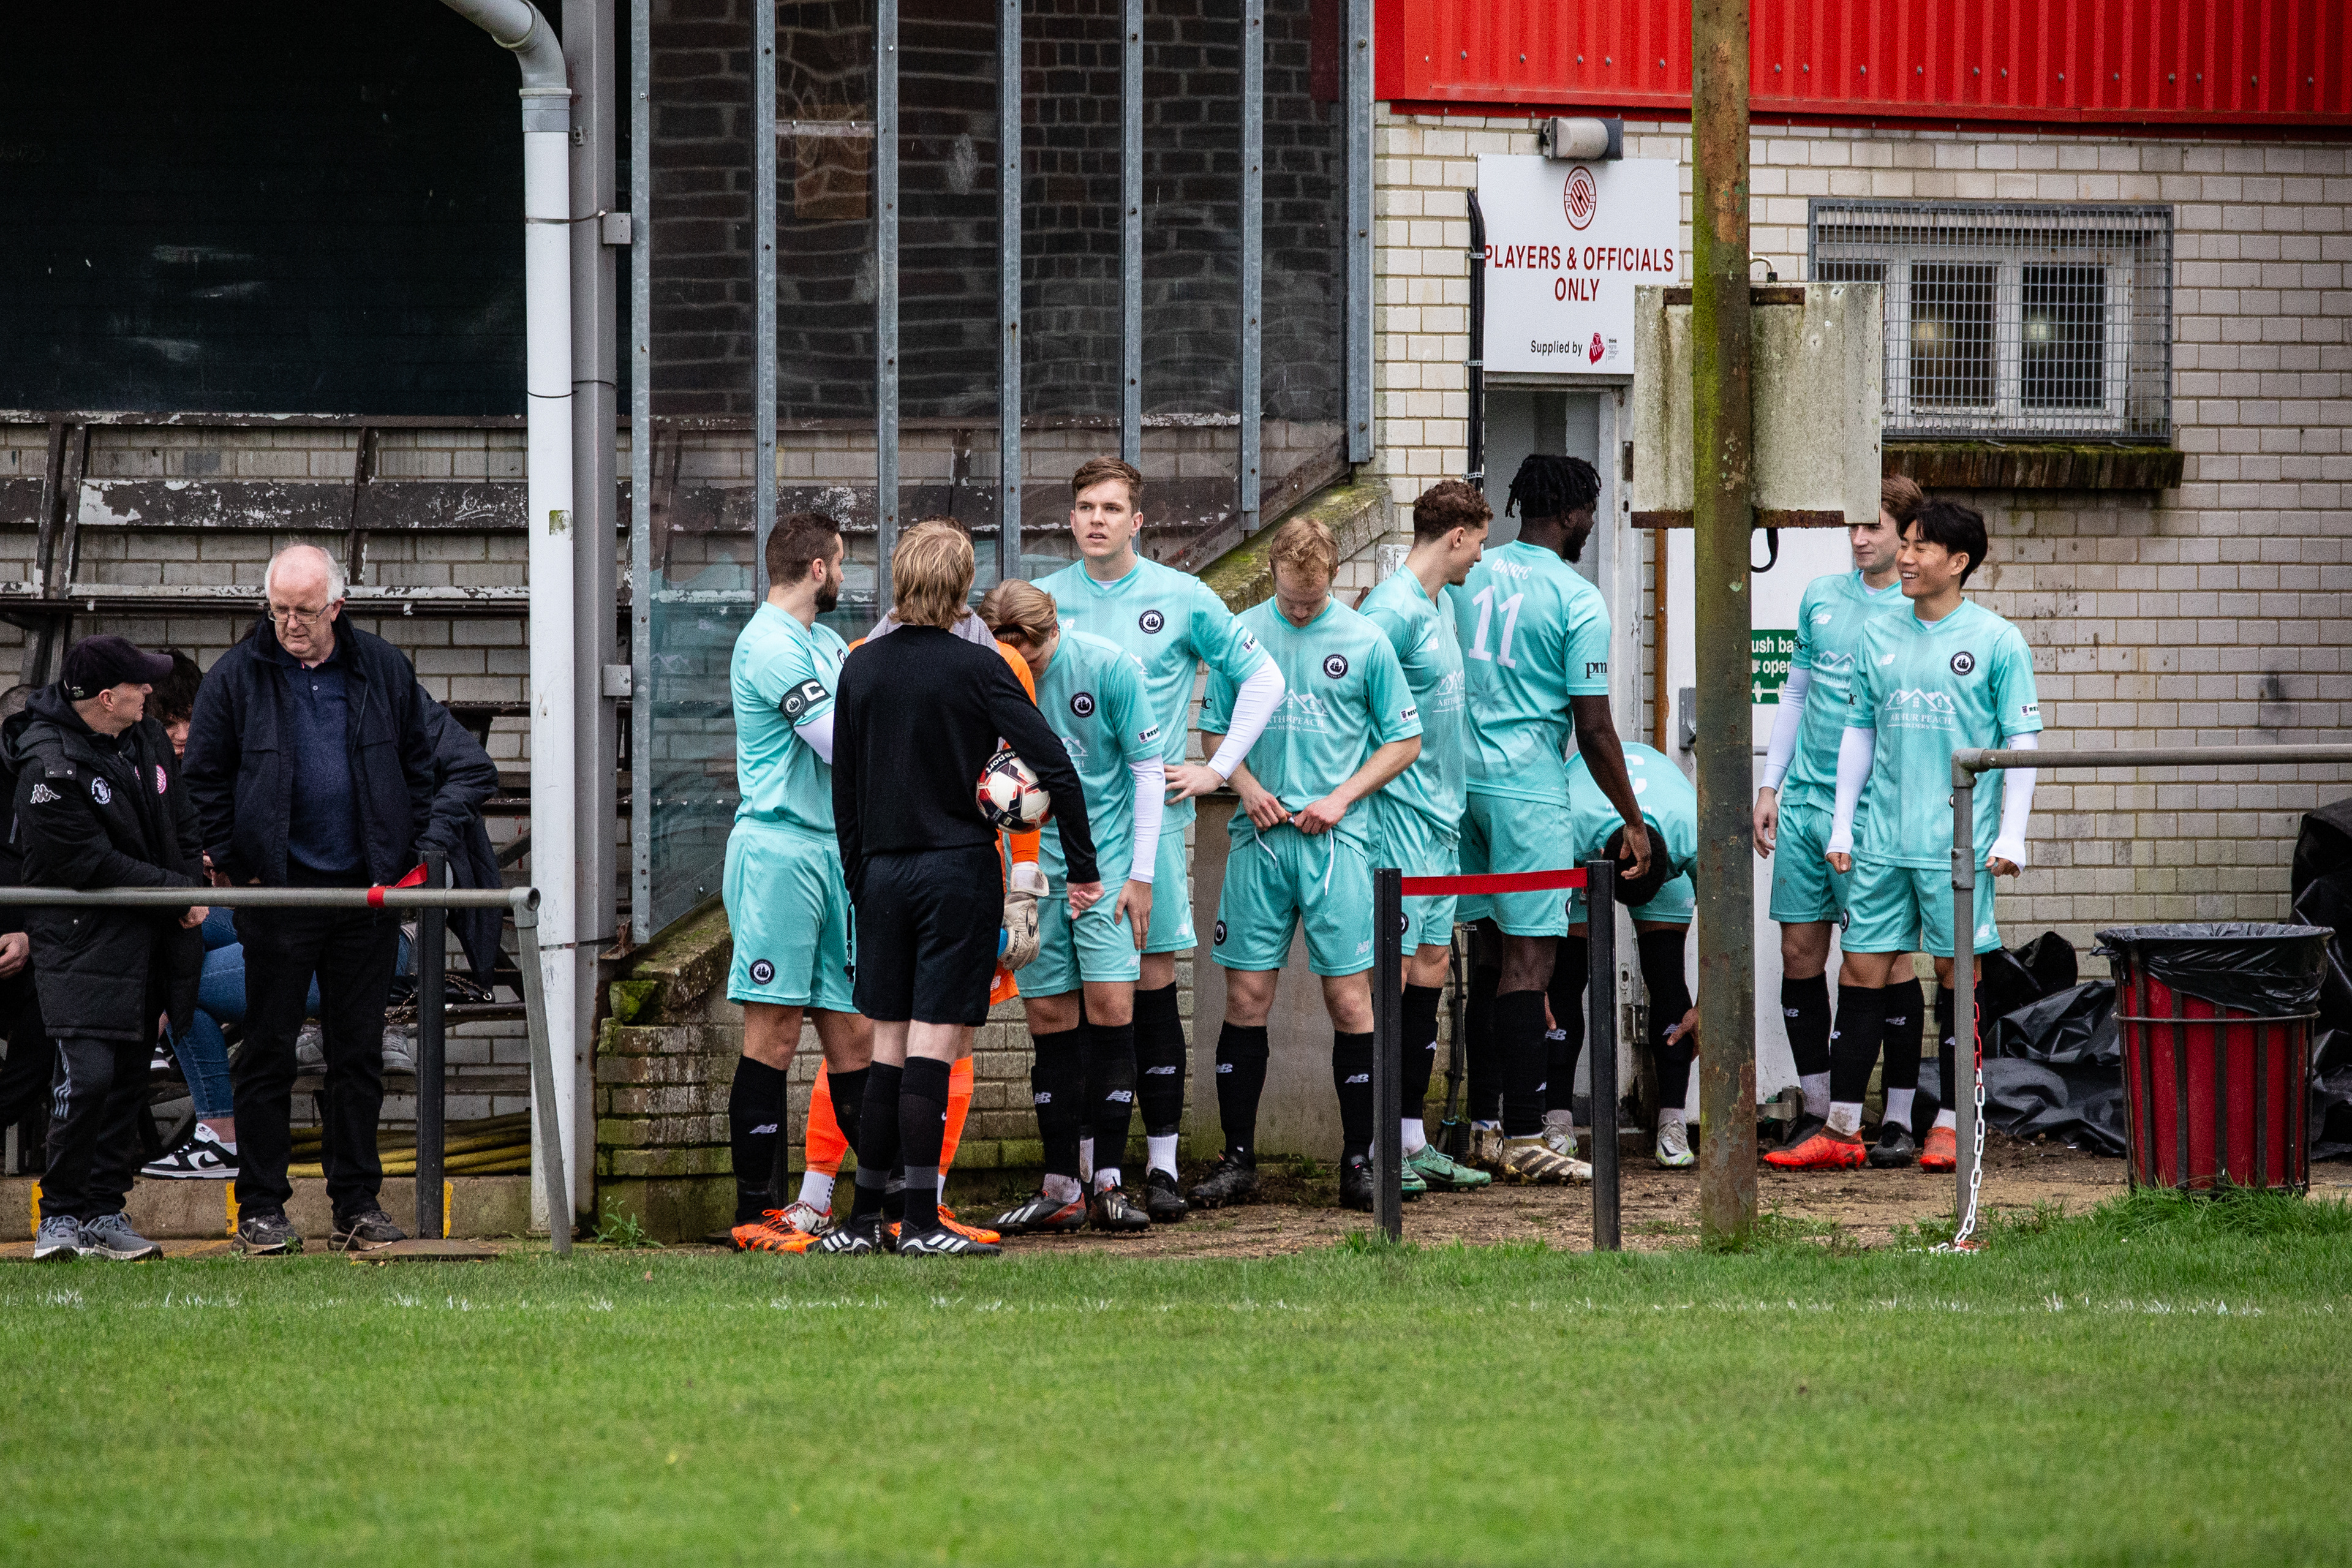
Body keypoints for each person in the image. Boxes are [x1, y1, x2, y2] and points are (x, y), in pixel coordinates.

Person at [183, 543, 478, 1256]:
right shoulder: (235, 676)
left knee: (358, 1055)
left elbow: (421, 765)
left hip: (364, 896)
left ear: (337, 607)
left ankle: (356, 1203)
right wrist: (235, 863)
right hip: (278, 895)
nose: (291, 624)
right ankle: (261, 1208)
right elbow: (203, 779)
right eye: (279, 610)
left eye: (305, 612)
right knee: (267, 1053)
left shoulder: (382, 668)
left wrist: (413, 850)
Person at [821, 521, 1099, 1257]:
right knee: (933, 1050)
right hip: (956, 872)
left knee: (886, 1048)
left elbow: (844, 787)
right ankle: (920, 1222)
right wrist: (1084, 866)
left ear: (899, 579)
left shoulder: (860, 666)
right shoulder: (982, 666)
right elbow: (1054, 768)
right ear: (964, 587)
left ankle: (862, 1221)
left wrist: (860, 876)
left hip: (881, 874)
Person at [1035, 458, 1284, 1218]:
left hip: (1150, 829)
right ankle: (1084, 1175)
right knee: (1075, 1003)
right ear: (1070, 519)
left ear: (1137, 521)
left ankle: (1163, 1167)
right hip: (1057, 842)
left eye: (1112, 508)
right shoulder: (1044, 601)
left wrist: (1219, 769)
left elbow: (1265, 679)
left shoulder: (1182, 596)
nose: (1097, 519)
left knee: (1149, 993)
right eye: (1085, 506)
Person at [1787, 500, 2042, 1175]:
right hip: (1881, 840)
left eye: (1920, 547)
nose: (1904, 557)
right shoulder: (1879, 633)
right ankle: (1842, 1127)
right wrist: (1844, 823)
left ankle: (1952, 1124)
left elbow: (2023, 743)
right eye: (1905, 543)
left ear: (1957, 562)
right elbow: (1860, 732)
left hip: (1957, 843)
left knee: (1958, 973)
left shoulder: (1997, 640)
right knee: (1860, 968)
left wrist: (2012, 834)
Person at [1188, 515, 1422, 1213]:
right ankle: (1237, 1160)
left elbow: (1404, 741)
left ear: (1332, 578)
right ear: (1274, 575)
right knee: (1245, 998)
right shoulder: (1242, 633)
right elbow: (1214, 730)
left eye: (1311, 599)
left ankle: (1358, 1162)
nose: (1299, 609)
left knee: (1350, 1001)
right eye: (1290, 598)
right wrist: (1246, 786)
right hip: (1260, 841)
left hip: (1337, 846)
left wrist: (1343, 797)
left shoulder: (1365, 640)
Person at [1453, 454, 1649, 1185]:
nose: (1590, 523)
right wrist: (1632, 818)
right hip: (1526, 790)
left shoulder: (1470, 573)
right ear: (1571, 514)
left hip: (1456, 786)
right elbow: (1593, 728)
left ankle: (1483, 1127)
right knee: (1531, 965)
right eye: (1589, 510)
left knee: (1487, 955)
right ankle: (1528, 1134)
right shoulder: (1578, 598)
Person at [9, 636, 207, 1261]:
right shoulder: (46, 766)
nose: (149, 691)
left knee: (125, 1084)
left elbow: (183, 822)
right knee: (88, 1080)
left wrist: (190, 888)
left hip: (150, 942)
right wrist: (178, 894)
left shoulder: (145, 738)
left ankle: (102, 1211)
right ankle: (59, 1216)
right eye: (138, 684)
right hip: (80, 945)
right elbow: (92, 865)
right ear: (105, 698)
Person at [712, 512, 878, 1254]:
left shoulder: (827, 643)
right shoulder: (769, 644)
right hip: (779, 852)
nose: (844, 575)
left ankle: (882, 1207)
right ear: (817, 568)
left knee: (855, 1035)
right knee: (774, 1033)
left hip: (833, 852)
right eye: (840, 562)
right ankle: (757, 1210)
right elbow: (838, 741)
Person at [976, 579, 1166, 1233]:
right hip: (1030, 874)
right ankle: (1061, 1186)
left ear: (1049, 631)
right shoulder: (989, 674)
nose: (1016, 663)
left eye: (1025, 652)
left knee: (1112, 1012)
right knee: (1050, 1020)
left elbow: (1148, 769)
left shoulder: (1108, 668)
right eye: (1005, 651)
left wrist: (1141, 875)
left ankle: (1109, 1181)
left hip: (1104, 872)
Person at [1753, 476, 1926, 1166]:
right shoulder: (1821, 596)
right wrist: (1771, 784)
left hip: (1876, 811)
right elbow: (1795, 694)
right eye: (1851, 525)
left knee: (1884, 962)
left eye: (1873, 526)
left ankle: (1900, 1117)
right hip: (1803, 803)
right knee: (1801, 954)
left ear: (1906, 535)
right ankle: (1821, 1111)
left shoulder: (1916, 610)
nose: (1858, 538)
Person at [1360, 480, 1493, 1197]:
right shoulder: (1391, 610)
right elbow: (1351, 703)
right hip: (1399, 819)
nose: (1481, 556)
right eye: (1479, 542)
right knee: (1397, 973)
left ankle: (1412, 1137)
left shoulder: (1439, 604)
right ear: (1456, 536)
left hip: (1442, 822)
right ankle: (1378, 1142)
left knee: (1432, 965)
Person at [1542, 744, 1692, 1169]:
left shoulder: (1692, 833)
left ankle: (1673, 1123)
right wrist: (1531, 981)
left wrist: (1708, 1005)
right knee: (1565, 975)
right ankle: (1557, 1120)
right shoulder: (1567, 826)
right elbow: (1531, 909)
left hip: (1661, 834)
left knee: (1666, 974)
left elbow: (1728, 933)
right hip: (1583, 842)